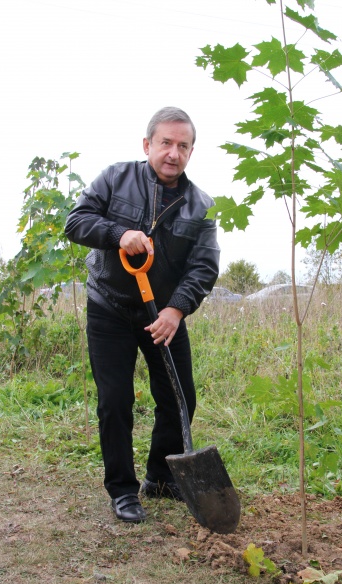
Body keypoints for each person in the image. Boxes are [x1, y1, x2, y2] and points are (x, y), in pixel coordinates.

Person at [65, 107, 220, 523]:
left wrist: (176, 309)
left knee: (179, 398)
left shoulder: (201, 205)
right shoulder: (115, 178)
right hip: (109, 306)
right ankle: (123, 490)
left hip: (163, 315)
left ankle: (160, 478)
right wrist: (119, 233)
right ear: (147, 144)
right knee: (115, 400)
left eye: (183, 145)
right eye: (166, 143)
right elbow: (76, 222)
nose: (174, 153)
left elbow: (204, 267)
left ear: (191, 151)